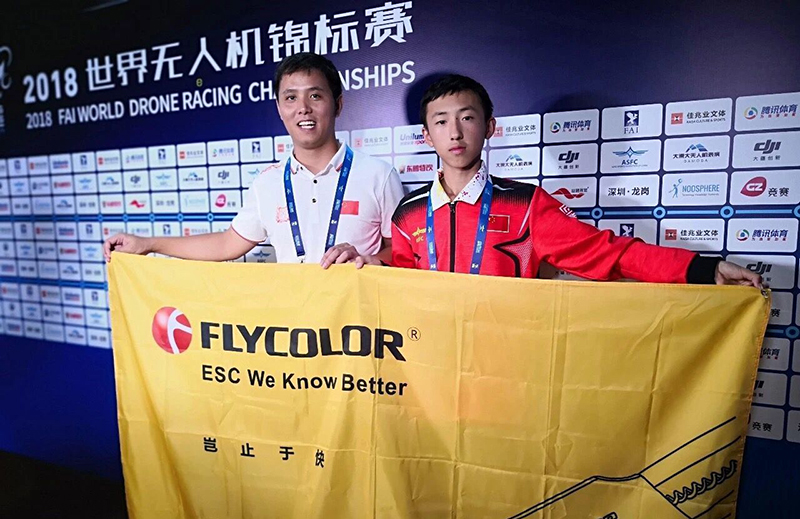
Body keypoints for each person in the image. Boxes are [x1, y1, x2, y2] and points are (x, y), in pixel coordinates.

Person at [387, 74, 762, 287]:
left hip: (505, 365)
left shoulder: (526, 204)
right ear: (426, 136)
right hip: (430, 366)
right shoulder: (408, 212)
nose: (455, 132)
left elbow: (607, 253)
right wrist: (366, 268)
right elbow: (396, 288)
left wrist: (703, 269)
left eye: (467, 118)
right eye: (441, 122)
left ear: (489, 127)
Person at [103, 53, 404, 269]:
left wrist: (370, 260)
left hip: (360, 328)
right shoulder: (267, 183)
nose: (303, 108)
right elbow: (226, 244)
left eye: (315, 96)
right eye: (291, 98)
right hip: (296, 329)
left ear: (337, 104)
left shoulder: (378, 175)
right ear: (279, 109)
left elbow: (404, 252)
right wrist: (149, 244)